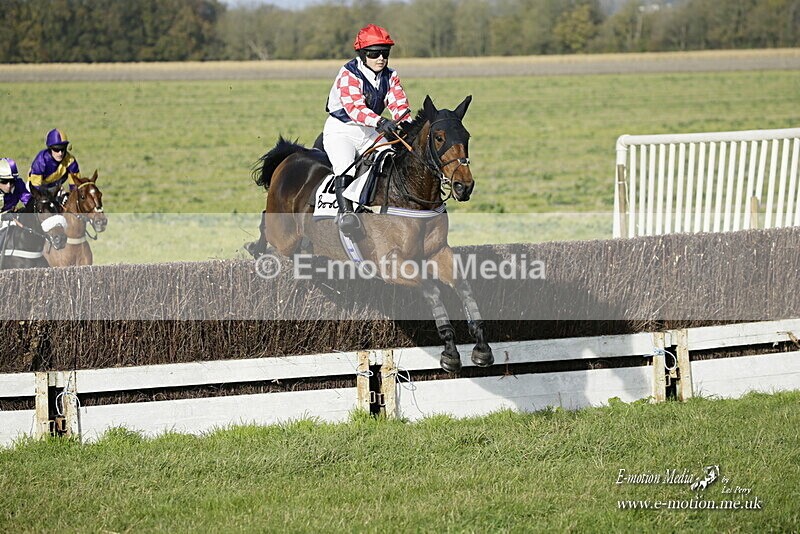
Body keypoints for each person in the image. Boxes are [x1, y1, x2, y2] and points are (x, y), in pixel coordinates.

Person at [324, 23, 412, 237]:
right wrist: (382, 123)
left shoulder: (391, 75)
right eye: (374, 54)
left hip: (370, 132)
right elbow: (355, 109)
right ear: (362, 54)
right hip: (342, 131)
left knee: (391, 158)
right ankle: (346, 215)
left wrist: (406, 125)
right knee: (346, 166)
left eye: (385, 53)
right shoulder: (348, 74)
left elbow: (399, 104)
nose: (380, 58)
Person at [28, 128, 81, 202]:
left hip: (56, 187)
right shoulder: (41, 161)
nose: (60, 153)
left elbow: (75, 186)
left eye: (63, 149)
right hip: (36, 188)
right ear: (50, 149)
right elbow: (36, 188)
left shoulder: (70, 161)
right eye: (56, 149)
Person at [0, 157, 32, 252]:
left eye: (12, 181)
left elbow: (29, 201)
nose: (9, 185)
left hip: (10, 220)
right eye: (4, 181)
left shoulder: (18, 184)